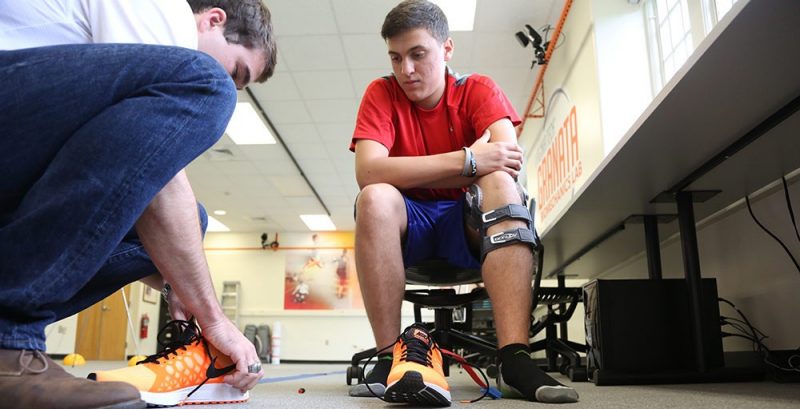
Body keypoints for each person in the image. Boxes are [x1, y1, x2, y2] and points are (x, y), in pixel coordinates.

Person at [0, 1, 276, 408]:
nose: (231, 81)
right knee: (205, 86)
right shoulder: (160, 9)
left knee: (190, 222)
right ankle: (8, 337)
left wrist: (180, 286)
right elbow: (162, 180)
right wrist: (215, 319)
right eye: (236, 70)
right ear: (213, 19)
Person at [348, 0, 578, 405]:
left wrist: (406, 168)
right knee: (374, 197)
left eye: (418, 54)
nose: (407, 70)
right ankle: (389, 356)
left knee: (501, 184)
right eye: (396, 58)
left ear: (447, 49)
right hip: (407, 227)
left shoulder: (478, 89)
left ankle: (513, 358)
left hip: (470, 226)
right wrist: (468, 159)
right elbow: (369, 172)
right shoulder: (380, 93)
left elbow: (506, 157)